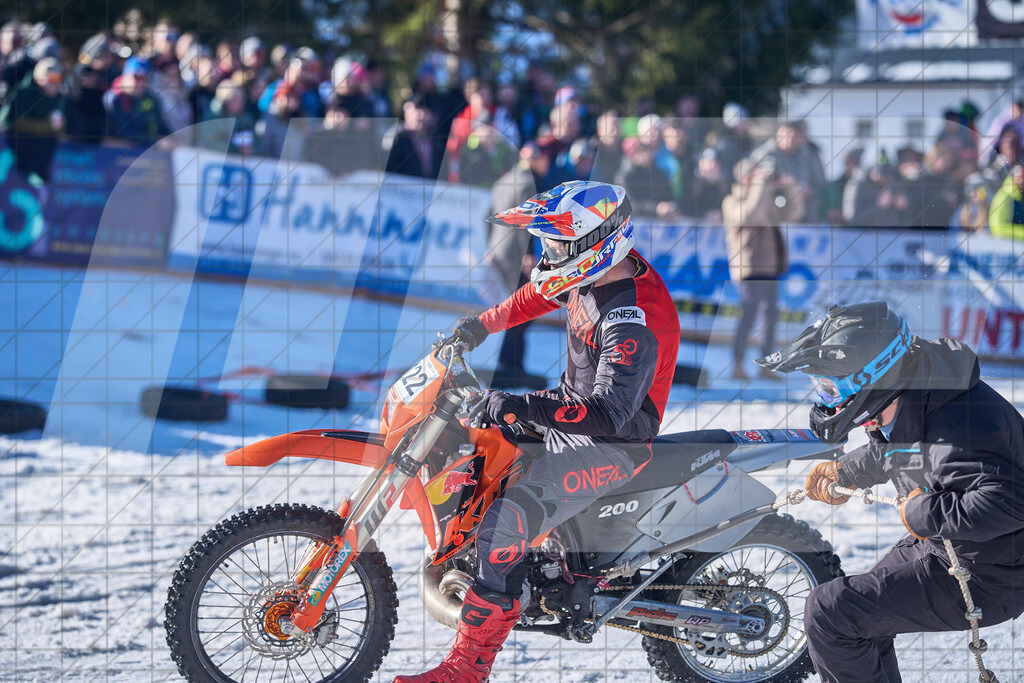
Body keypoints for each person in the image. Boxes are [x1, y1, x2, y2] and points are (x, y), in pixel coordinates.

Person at [394, 181, 681, 683]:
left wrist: (522, 404)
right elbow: (540, 293)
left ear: (594, 242)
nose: (548, 254)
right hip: (572, 416)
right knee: (474, 449)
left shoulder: (633, 318)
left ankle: (467, 669)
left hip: (610, 445)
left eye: (556, 244)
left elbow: (610, 413)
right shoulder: (594, 271)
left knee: (502, 524)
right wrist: (481, 326)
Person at [756, 301, 1024, 682]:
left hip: (991, 574)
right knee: (857, 618)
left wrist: (923, 514)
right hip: (954, 548)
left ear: (871, 377)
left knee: (829, 613)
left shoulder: (957, 426)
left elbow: (1010, 502)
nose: (828, 398)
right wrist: (846, 472)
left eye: (832, 387)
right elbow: (907, 450)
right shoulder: (922, 389)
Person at [722, 158, 804, 380]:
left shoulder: (766, 198)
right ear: (743, 177)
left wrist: (789, 187)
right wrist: (760, 185)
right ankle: (738, 364)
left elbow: (793, 214)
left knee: (769, 318)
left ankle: (766, 366)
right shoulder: (732, 201)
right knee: (747, 317)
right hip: (749, 268)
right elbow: (750, 216)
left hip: (771, 267)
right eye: (753, 174)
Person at [484, 142, 551, 390]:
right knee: (522, 310)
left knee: (515, 310)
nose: (546, 164)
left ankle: (509, 362)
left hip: (501, 254)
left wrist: (491, 247)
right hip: (516, 257)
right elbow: (527, 222)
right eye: (544, 159)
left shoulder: (503, 181)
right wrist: (527, 254)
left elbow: (488, 217)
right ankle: (511, 365)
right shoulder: (528, 183)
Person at [0, 56, 63, 183]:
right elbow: (19, 122)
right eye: (51, 78)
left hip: (36, 152)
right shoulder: (23, 91)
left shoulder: (58, 96)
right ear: (39, 78)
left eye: (59, 79)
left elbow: (61, 126)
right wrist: (49, 126)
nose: (55, 83)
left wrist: (59, 125)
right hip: (9, 144)